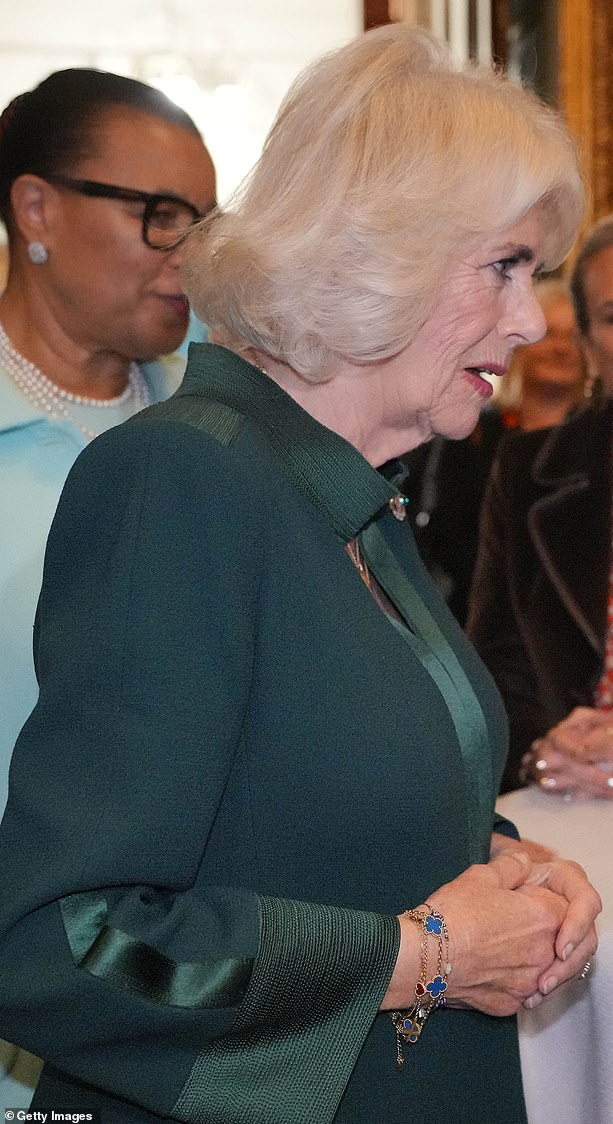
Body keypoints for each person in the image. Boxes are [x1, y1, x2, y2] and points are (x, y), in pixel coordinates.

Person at [0, 26, 600, 1124]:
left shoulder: (349, 488)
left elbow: (318, 816)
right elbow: (60, 939)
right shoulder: (181, 479)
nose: (528, 319)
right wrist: (430, 953)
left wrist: (510, 867)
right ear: (379, 254)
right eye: (504, 267)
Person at [0, 67, 215, 1112]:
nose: (194, 253)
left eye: (208, 222)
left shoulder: (226, 430)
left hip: (193, 987)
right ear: (35, 208)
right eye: (162, 216)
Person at [468, 211, 613, 797]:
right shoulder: (527, 471)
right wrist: (547, 757)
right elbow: (497, 664)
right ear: (587, 344)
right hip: (563, 809)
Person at [404, 279, 585, 624]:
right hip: (470, 619)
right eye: (549, 334)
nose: (561, 348)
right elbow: (446, 529)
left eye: (574, 337)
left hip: (572, 629)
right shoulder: (473, 431)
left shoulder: (601, 439)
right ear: (520, 345)